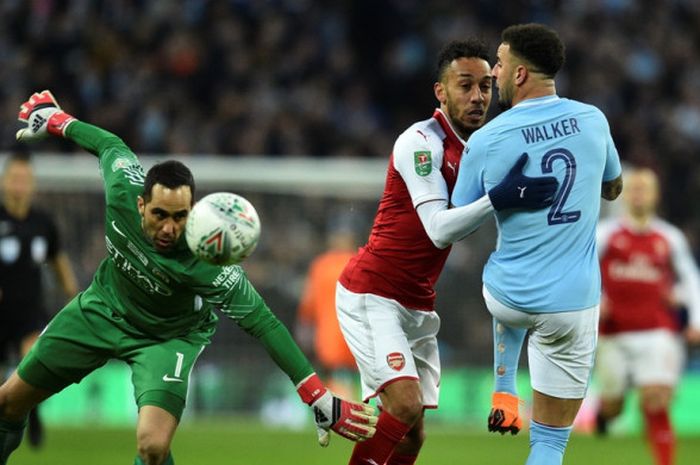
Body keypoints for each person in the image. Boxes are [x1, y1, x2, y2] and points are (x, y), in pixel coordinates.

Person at [0, 90, 377, 465]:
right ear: (140, 204)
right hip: (101, 308)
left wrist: (318, 396)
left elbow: (264, 323)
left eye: (180, 217)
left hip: (168, 338)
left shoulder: (210, 261)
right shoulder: (120, 189)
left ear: (192, 211)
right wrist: (57, 121)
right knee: (8, 402)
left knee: (152, 446)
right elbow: (108, 144)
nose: (169, 227)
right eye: (160, 214)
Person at [335, 39, 559, 465]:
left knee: (411, 436)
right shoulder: (421, 142)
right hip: (373, 292)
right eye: (465, 86)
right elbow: (438, 230)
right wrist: (502, 197)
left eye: (486, 87)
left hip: (418, 303)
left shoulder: (481, 148)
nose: (478, 97)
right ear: (441, 91)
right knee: (402, 405)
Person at [451, 23, 623, 465]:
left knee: (506, 274)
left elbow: (458, 218)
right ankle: (511, 397)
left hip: (506, 298)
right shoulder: (593, 120)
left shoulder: (486, 140)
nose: (494, 71)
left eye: (501, 64)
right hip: (571, 305)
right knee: (549, 443)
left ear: (520, 75)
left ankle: (505, 388)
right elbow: (613, 188)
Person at [595, 167, 700, 465]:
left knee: (655, 398)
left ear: (655, 196)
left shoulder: (669, 237)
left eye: (645, 189)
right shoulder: (606, 233)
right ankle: (605, 414)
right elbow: (583, 268)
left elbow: (691, 278)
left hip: (657, 331)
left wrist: (695, 320)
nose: (639, 194)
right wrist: (597, 299)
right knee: (615, 406)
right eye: (635, 189)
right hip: (613, 333)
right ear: (626, 195)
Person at [0, 149, 79, 448]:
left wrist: (73, 294)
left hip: (30, 310)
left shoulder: (43, 222)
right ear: (5, 181)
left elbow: (58, 260)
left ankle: (33, 418)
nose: (19, 184)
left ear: (32, 184)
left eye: (25, 179)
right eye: (14, 178)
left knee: (31, 363)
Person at [296, 223, 358, 399]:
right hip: (355, 334)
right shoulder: (359, 262)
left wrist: (305, 326)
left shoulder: (321, 265)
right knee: (350, 376)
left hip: (328, 335)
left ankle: (341, 411)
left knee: (332, 375)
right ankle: (352, 408)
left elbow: (308, 302)